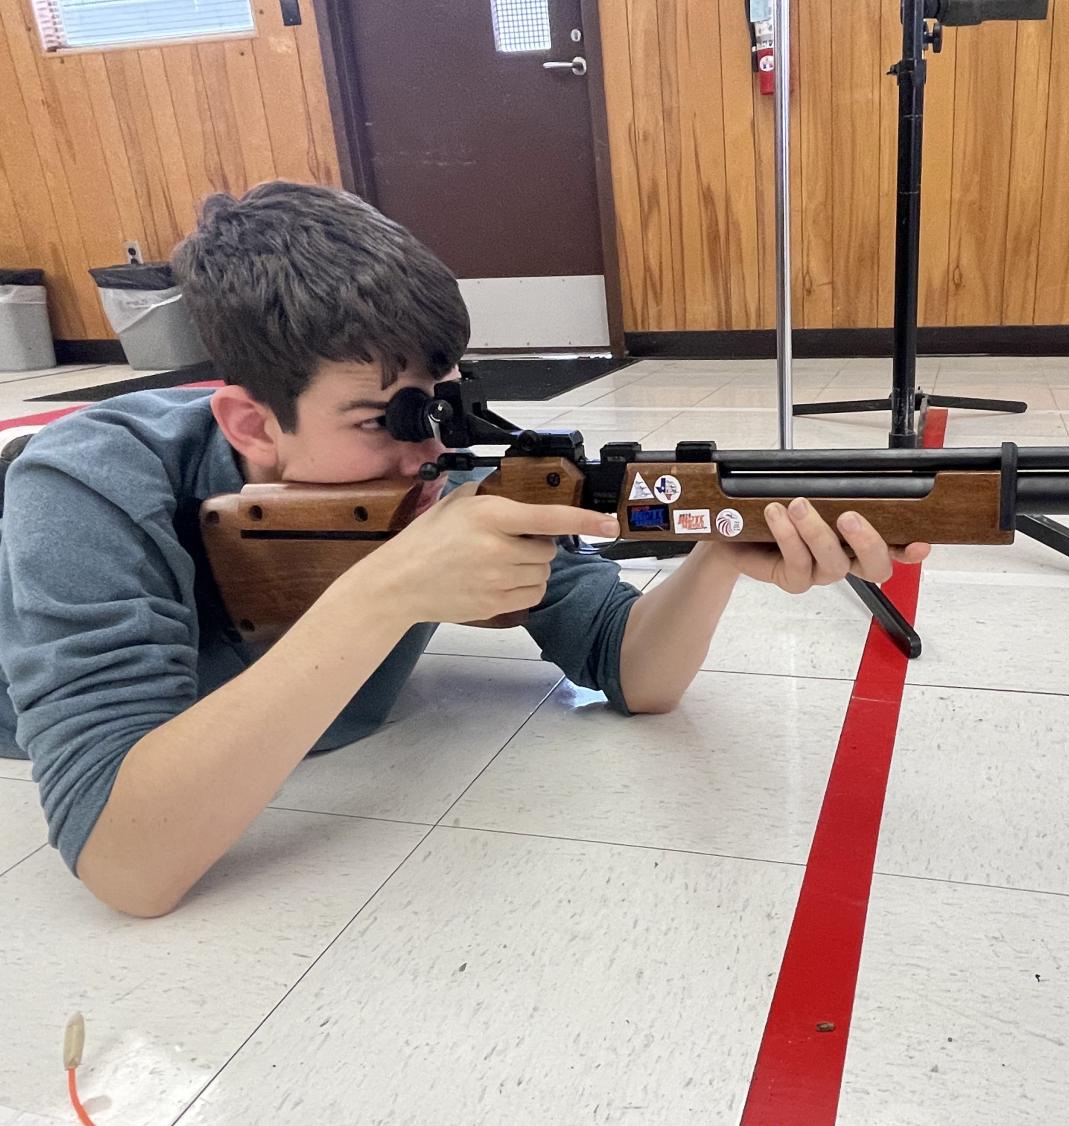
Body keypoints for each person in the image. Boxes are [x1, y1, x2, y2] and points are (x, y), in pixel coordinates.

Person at [0, 182, 929, 918]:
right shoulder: (90, 482)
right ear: (252, 420)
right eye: (385, 419)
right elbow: (126, 865)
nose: (432, 448)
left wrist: (719, 544)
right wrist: (382, 594)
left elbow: (630, 671)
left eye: (442, 402)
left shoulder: (433, 467)